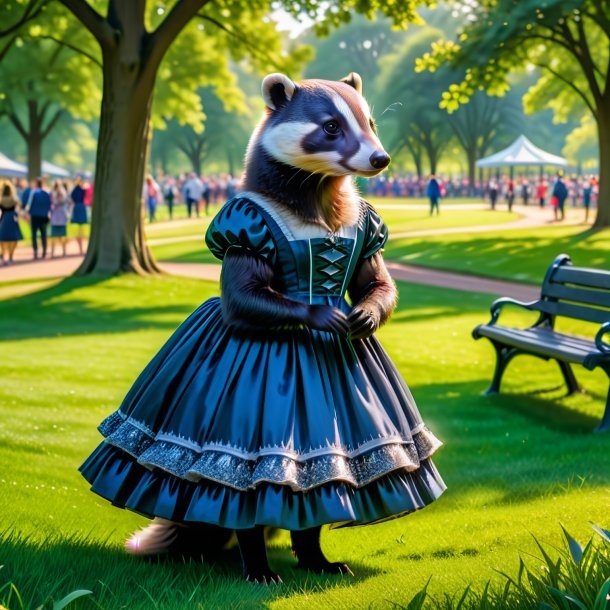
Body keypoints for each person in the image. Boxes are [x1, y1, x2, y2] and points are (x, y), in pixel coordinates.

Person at [25, 177, 51, 259]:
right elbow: (49, 204)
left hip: (35, 215)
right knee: (43, 234)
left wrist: (26, 213)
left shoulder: (34, 192)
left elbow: (29, 204)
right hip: (44, 216)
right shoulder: (47, 193)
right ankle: (44, 251)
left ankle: (35, 251)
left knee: (34, 234)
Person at [0, 182, 23, 265]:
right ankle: (10, 256)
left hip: (4, 219)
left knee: (2, 238)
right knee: (13, 238)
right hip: (12, 218)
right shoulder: (13, 198)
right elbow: (20, 204)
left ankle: (3, 255)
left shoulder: (1, 199)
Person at [50, 180, 69, 257]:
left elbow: (61, 202)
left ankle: (63, 251)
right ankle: (53, 252)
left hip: (60, 216)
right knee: (54, 236)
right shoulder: (54, 193)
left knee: (61, 235)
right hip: (56, 217)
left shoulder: (62, 193)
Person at [70, 177, 88, 255]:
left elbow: (72, 199)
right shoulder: (82, 189)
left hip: (77, 207)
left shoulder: (76, 190)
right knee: (80, 230)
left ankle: (81, 248)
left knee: (79, 230)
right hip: (81, 207)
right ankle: (81, 248)